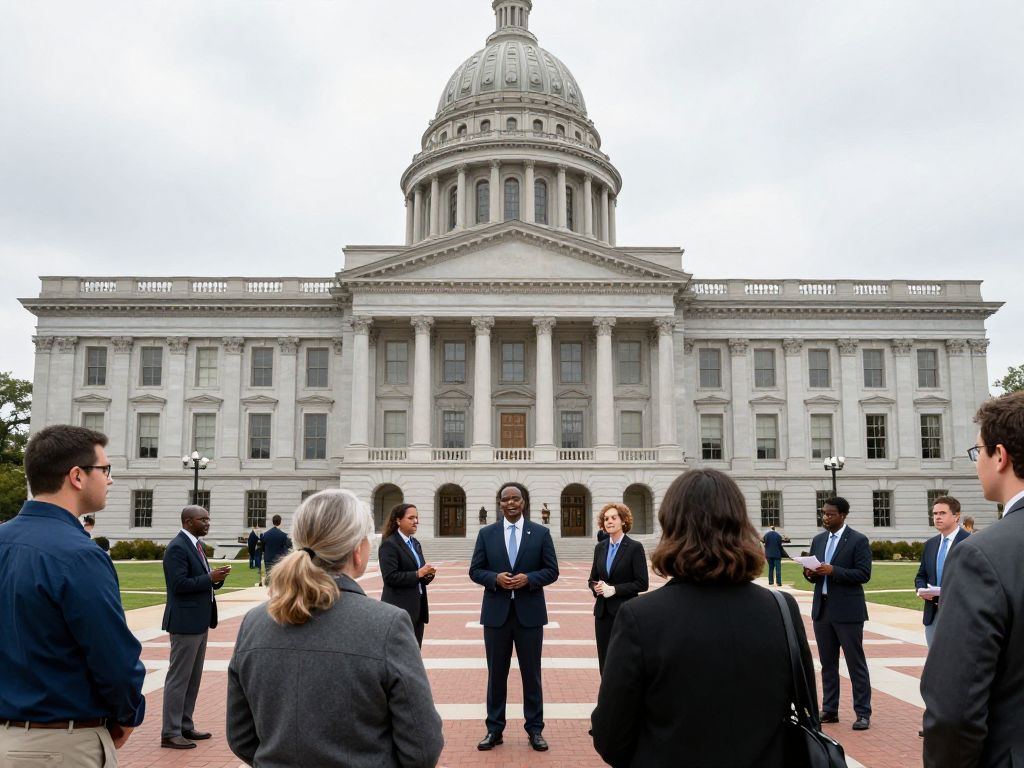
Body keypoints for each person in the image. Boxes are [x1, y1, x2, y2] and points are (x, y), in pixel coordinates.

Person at [591, 469, 816, 767]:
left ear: (670, 526)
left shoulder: (641, 617)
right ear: (741, 524)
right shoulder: (782, 609)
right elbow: (807, 709)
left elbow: (610, 738)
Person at [226, 489, 443, 768]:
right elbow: (423, 748)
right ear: (357, 551)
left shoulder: (254, 622)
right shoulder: (387, 624)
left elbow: (241, 737)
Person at [0, 425, 146, 766]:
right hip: (59, 744)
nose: (109, 479)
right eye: (105, 469)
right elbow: (114, 659)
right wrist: (128, 716)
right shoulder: (79, 555)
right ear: (77, 476)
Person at [921, 391, 1024, 766]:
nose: (975, 461)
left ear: (1000, 456)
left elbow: (954, 710)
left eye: (976, 451)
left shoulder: (981, 555)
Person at [469, 482, 559, 752]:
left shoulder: (541, 533)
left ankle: (535, 730)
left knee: (532, 676)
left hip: (529, 615)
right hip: (496, 616)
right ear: (499, 504)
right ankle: (494, 729)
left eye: (515, 499)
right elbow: (475, 570)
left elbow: (551, 571)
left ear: (523, 503)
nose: (510, 503)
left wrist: (529, 579)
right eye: (505, 499)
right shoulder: (487, 534)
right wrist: (493, 578)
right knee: (496, 675)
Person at [160, 505, 231, 749]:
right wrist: (209, 578)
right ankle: (170, 732)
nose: (208, 523)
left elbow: (198, 580)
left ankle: (185, 726)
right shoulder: (177, 548)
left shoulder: (196, 545)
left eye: (208, 518)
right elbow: (178, 585)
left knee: (192, 678)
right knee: (179, 678)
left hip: (199, 622)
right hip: (184, 622)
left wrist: (215, 579)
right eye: (203, 519)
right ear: (188, 521)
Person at [803, 496, 873, 730]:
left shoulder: (858, 540)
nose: (825, 517)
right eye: (823, 513)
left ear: (842, 515)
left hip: (848, 612)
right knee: (827, 664)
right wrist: (810, 573)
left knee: (855, 664)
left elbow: (863, 574)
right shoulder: (818, 540)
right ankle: (830, 709)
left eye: (830, 514)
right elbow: (814, 575)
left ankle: (863, 713)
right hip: (822, 610)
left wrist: (833, 570)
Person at [588, 502, 649, 673]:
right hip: (602, 613)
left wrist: (614, 589)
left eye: (614, 518)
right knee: (604, 661)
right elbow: (592, 579)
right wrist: (596, 587)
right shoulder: (600, 548)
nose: (609, 521)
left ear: (623, 521)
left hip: (625, 612)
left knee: (624, 660)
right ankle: (606, 699)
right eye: (606, 519)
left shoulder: (634, 548)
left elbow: (642, 583)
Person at [915, 496, 970, 647]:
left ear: (956, 516)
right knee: (935, 663)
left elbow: (974, 580)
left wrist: (946, 591)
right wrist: (920, 589)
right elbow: (921, 575)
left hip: (960, 614)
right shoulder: (930, 545)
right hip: (933, 614)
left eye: (942, 513)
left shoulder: (970, 542)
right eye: (935, 514)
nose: (937, 517)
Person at [379, 502, 436, 647]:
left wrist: (427, 575)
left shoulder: (415, 543)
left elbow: (418, 574)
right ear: (398, 520)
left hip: (418, 610)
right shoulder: (389, 544)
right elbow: (390, 577)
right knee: (400, 656)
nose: (416, 521)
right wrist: (418, 574)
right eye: (411, 518)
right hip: (399, 610)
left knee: (415, 655)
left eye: (416, 518)